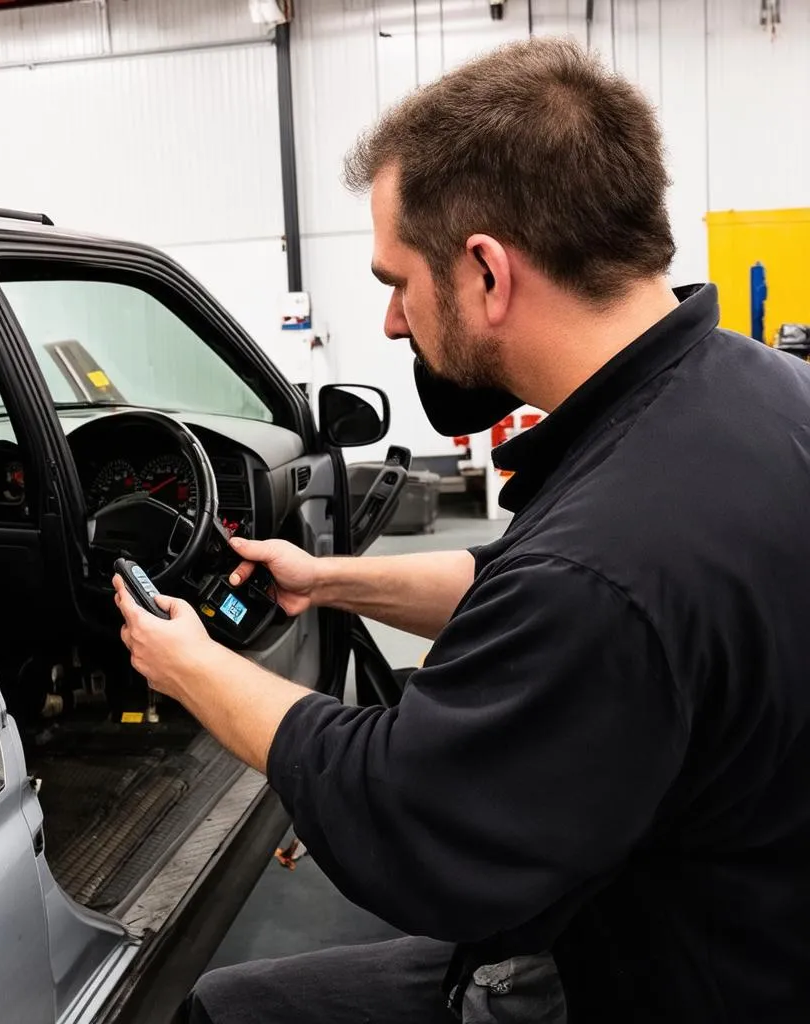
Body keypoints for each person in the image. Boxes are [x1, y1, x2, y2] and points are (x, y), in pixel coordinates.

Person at [112, 36, 810, 1024]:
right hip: (732, 907)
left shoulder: (605, 560)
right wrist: (334, 579)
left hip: (638, 975)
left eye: (395, 280)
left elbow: (403, 814)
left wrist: (188, 667)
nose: (393, 323)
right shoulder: (750, 398)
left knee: (224, 1011)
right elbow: (525, 586)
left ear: (486, 269)